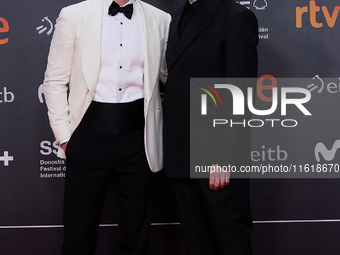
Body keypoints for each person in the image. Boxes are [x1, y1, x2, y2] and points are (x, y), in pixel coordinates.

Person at [43, 0, 170, 254]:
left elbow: (168, 79)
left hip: (139, 142)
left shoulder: (161, 19)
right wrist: (66, 139)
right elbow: (54, 80)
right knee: (78, 238)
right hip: (88, 138)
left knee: (137, 240)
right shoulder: (74, 15)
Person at [163, 0, 258, 254]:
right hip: (181, 158)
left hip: (217, 161)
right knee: (197, 245)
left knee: (231, 243)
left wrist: (224, 158)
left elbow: (241, 96)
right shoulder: (174, 19)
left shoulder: (236, 17)